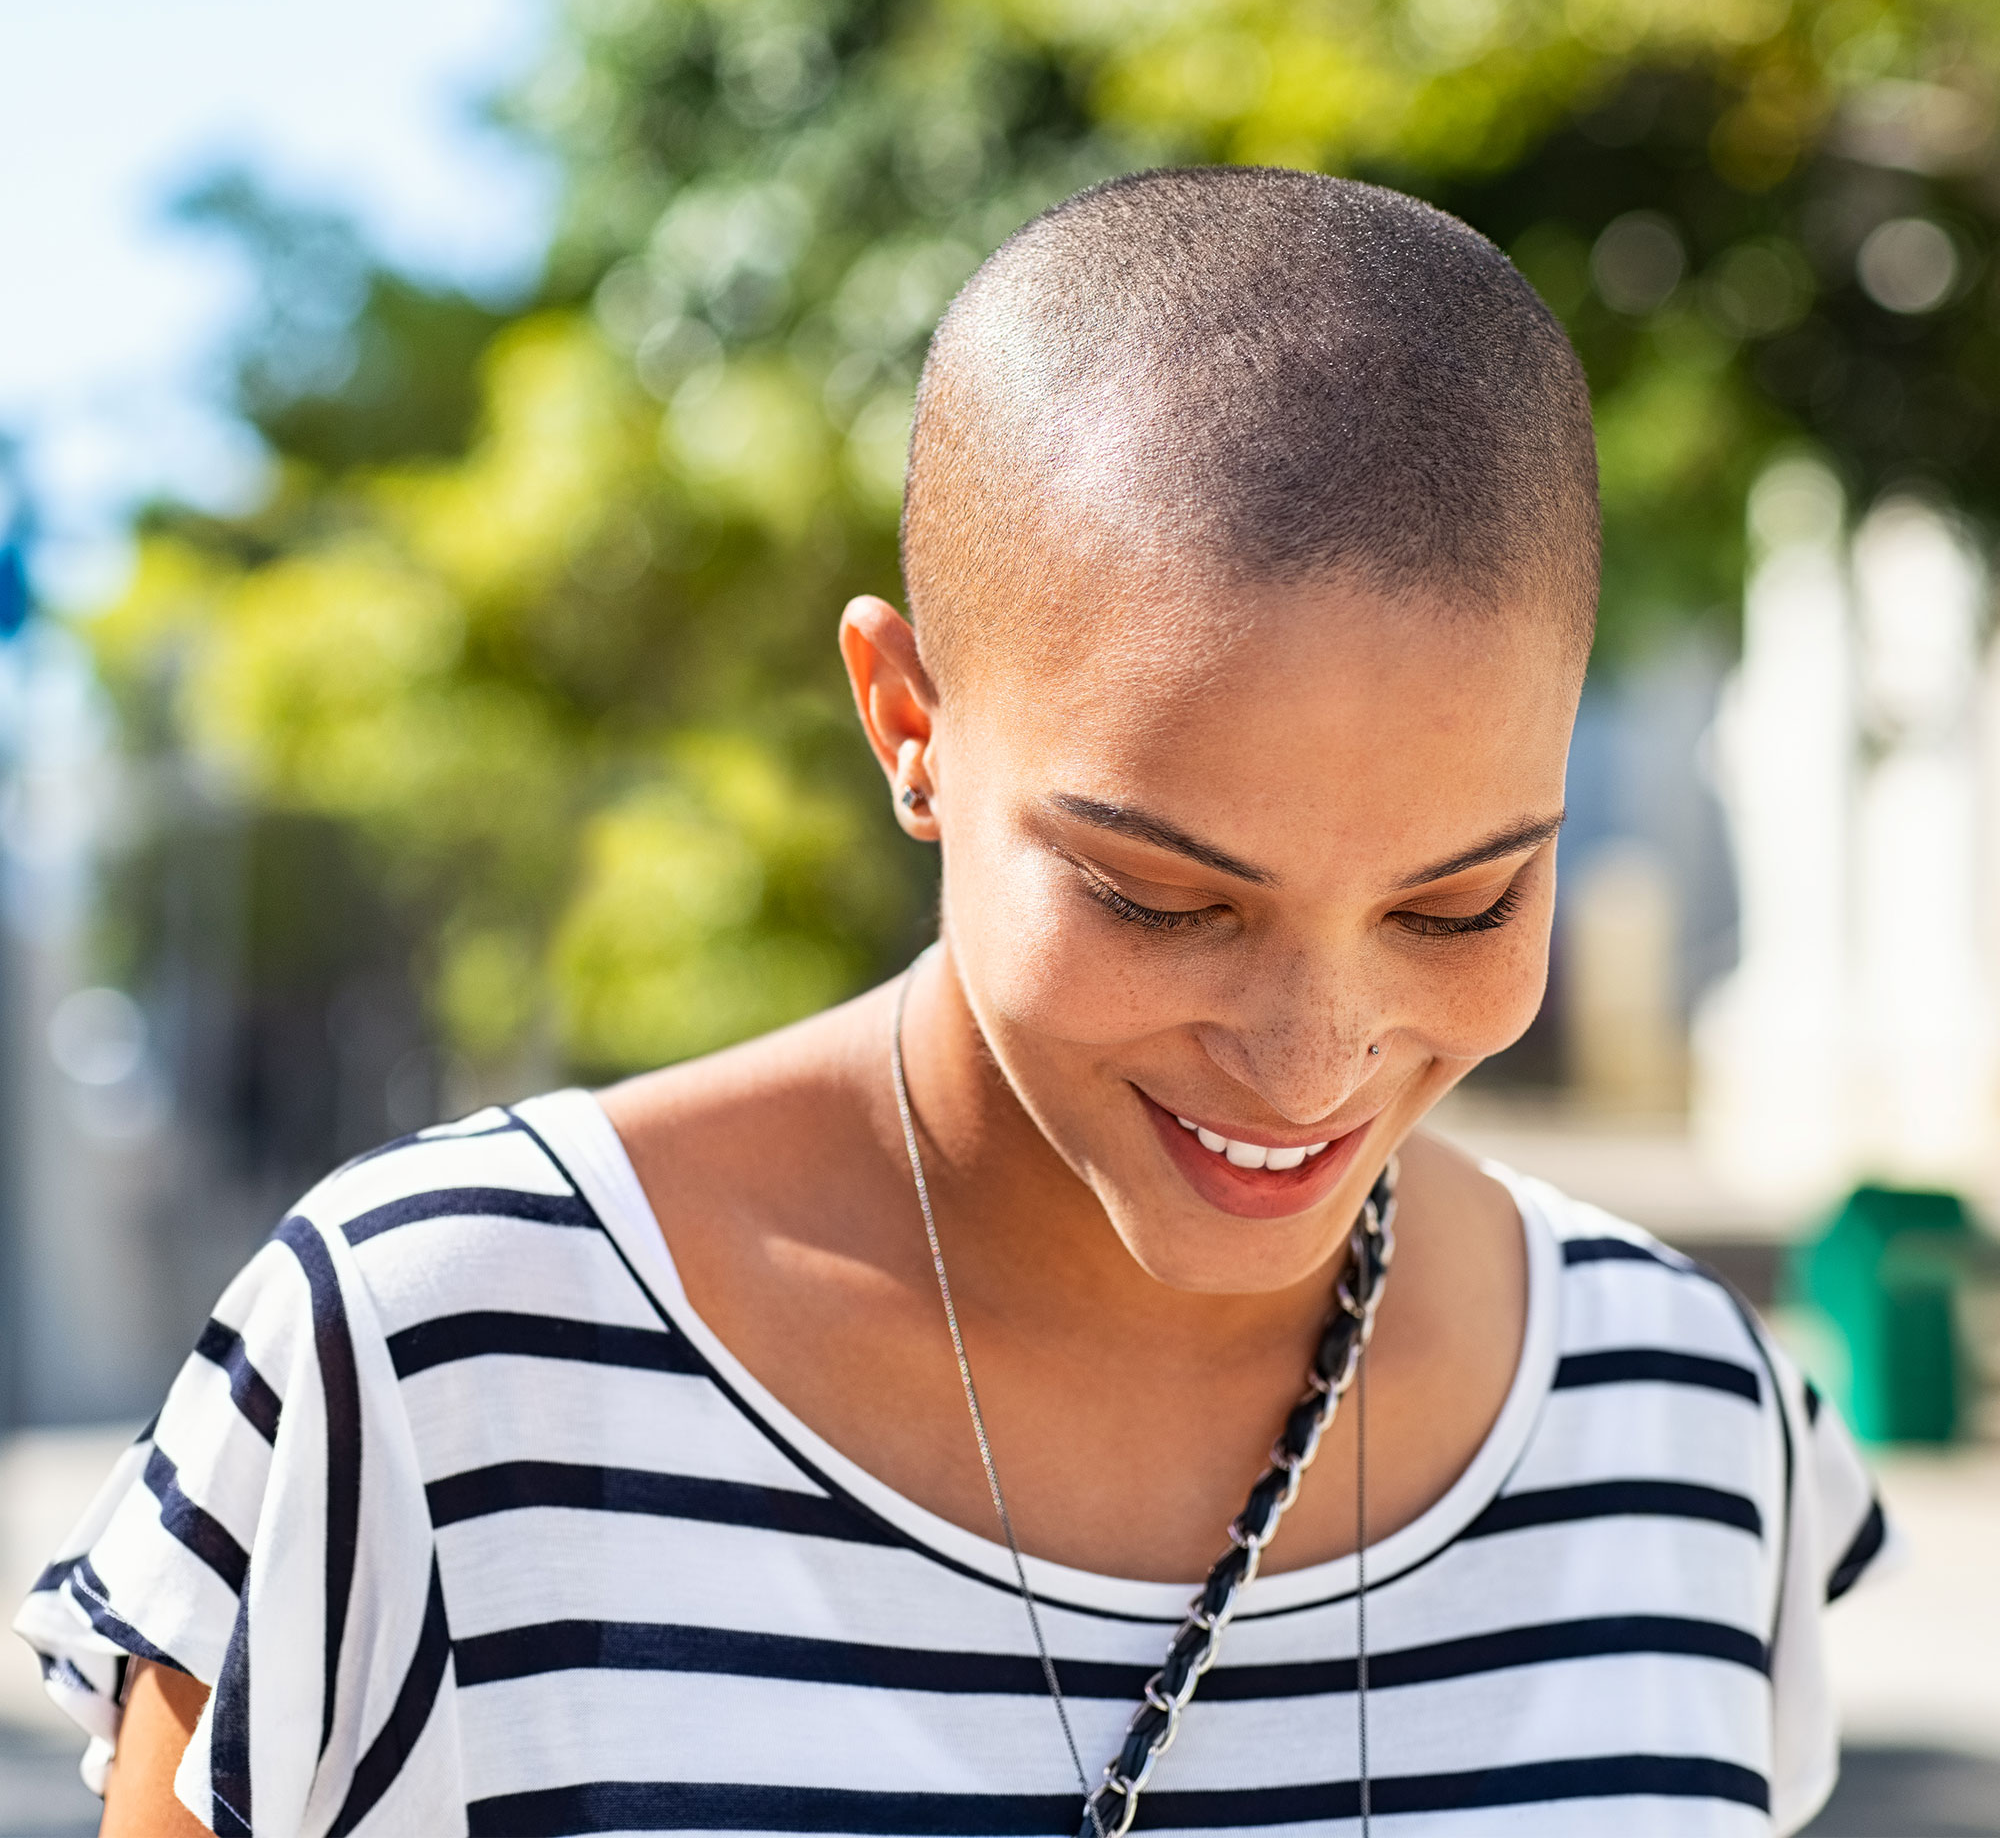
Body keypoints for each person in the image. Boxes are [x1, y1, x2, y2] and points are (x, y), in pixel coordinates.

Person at [17, 168, 1882, 1838]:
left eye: (1463, 899)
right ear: (909, 724)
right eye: (1161, 897)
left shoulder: (1691, 1419)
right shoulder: (440, 1362)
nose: (1316, 1052)